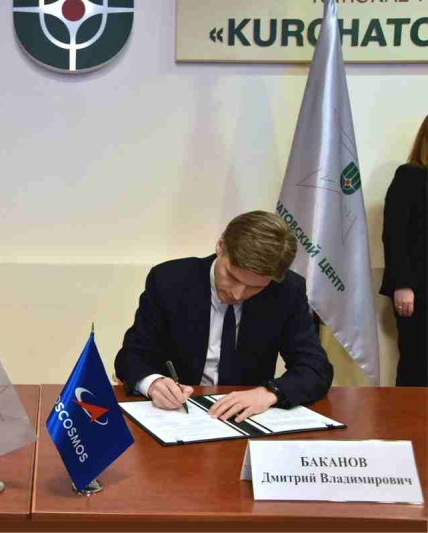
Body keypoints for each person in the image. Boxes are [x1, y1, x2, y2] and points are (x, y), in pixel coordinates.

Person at [115, 211, 333, 423]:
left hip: (246, 419)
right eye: (232, 277)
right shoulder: (170, 280)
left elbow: (316, 368)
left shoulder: (287, 291)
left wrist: (269, 393)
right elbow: (131, 356)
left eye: (255, 287)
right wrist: (153, 384)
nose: (237, 294)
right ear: (220, 246)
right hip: (179, 415)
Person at [380, 115, 427, 387]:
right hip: (418, 293)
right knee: (417, 366)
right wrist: (402, 284)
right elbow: (394, 234)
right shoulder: (410, 176)